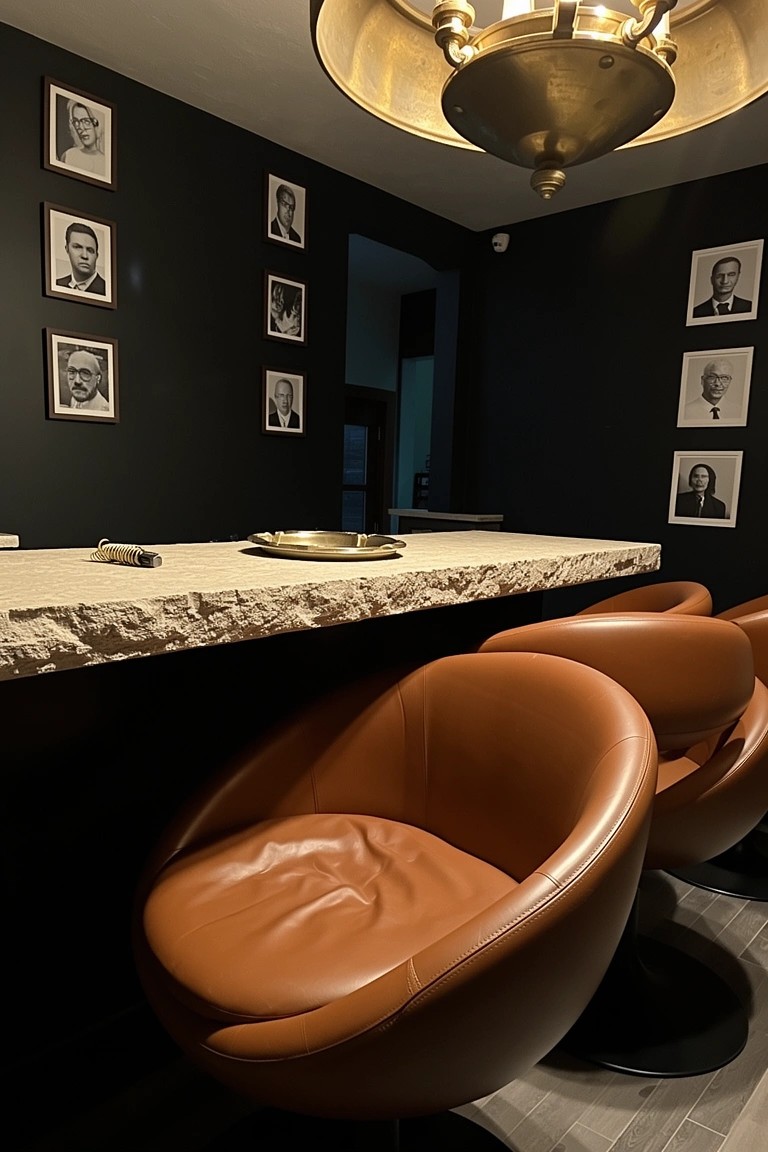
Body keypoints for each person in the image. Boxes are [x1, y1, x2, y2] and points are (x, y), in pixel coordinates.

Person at [55, 222, 107, 295]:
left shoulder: (106, 290)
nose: (84, 256)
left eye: (90, 250)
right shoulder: (57, 284)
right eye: (77, 247)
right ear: (67, 249)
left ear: (96, 255)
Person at [683, 357, 740, 422]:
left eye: (724, 378)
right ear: (702, 380)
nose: (717, 383)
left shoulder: (738, 411)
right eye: (712, 377)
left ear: (730, 381)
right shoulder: (685, 412)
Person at [60, 100, 106, 177]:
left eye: (86, 121)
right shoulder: (69, 155)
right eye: (76, 121)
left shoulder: (105, 162)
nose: (81, 127)